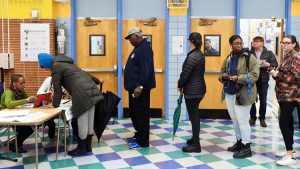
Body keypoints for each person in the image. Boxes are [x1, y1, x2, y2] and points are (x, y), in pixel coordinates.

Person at [38, 53, 103, 156]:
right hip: (92, 90)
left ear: (47, 64)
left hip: (81, 93)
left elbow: (57, 89)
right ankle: (88, 147)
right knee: (90, 120)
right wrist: (97, 81)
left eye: (45, 68)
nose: (46, 70)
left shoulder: (55, 67)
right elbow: (84, 73)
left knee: (82, 121)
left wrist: (54, 104)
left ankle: (81, 149)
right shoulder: (67, 63)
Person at [219, 35, 259, 158]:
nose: (239, 45)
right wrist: (223, 76)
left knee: (242, 121)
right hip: (229, 92)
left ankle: (247, 147)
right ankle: (239, 142)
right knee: (235, 121)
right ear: (231, 44)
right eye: (236, 43)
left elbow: (254, 75)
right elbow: (221, 71)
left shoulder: (249, 57)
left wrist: (238, 78)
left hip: (243, 94)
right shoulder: (229, 57)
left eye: (240, 43)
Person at [269, 35, 300, 166]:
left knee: (283, 122)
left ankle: (290, 156)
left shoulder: (296, 56)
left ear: (293, 44)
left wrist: (278, 74)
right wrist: (275, 74)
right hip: (284, 94)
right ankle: (291, 151)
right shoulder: (287, 56)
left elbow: (296, 76)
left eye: (287, 43)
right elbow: (285, 76)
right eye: (283, 43)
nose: (284, 45)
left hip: (291, 95)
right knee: (288, 122)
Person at [124, 27, 156, 149]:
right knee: (135, 114)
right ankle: (138, 135)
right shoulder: (138, 49)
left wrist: (140, 86)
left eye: (130, 38)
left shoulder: (144, 49)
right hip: (135, 89)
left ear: (137, 36)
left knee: (141, 115)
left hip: (140, 90)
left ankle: (143, 141)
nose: (129, 41)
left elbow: (146, 70)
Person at [178, 32, 206, 153]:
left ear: (192, 42)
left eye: (190, 41)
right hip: (198, 89)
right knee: (194, 116)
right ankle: (194, 139)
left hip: (193, 91)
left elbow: (185, 74)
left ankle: (196, 145)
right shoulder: (199, 54)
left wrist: (180, 84)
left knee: (194, 117)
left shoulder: (193, 56)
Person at [0, 74, 36, 153]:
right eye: (21, 83)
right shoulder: (8, 92)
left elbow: (29, 98)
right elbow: (9, 104)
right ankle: (15, 143)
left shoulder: (21, 91)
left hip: (15, 115)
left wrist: (35, 98)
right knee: (28, 127)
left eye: (24, 83)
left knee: (33, 125)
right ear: (14, 84)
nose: (24, 85)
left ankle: (15, 142)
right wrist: (25, 100)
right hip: (6, 117)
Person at [249, 36, 278, 127]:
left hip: (263, 79)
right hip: (252, 79)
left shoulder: (268, 53)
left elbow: (275, 64)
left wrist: (268, 64)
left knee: (263, 99)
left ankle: (262, 118)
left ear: (262, 43)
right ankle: (252, 117)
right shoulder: (249, 53)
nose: (254, 43)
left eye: (257, 42)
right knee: (251, 99)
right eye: (254, 42)